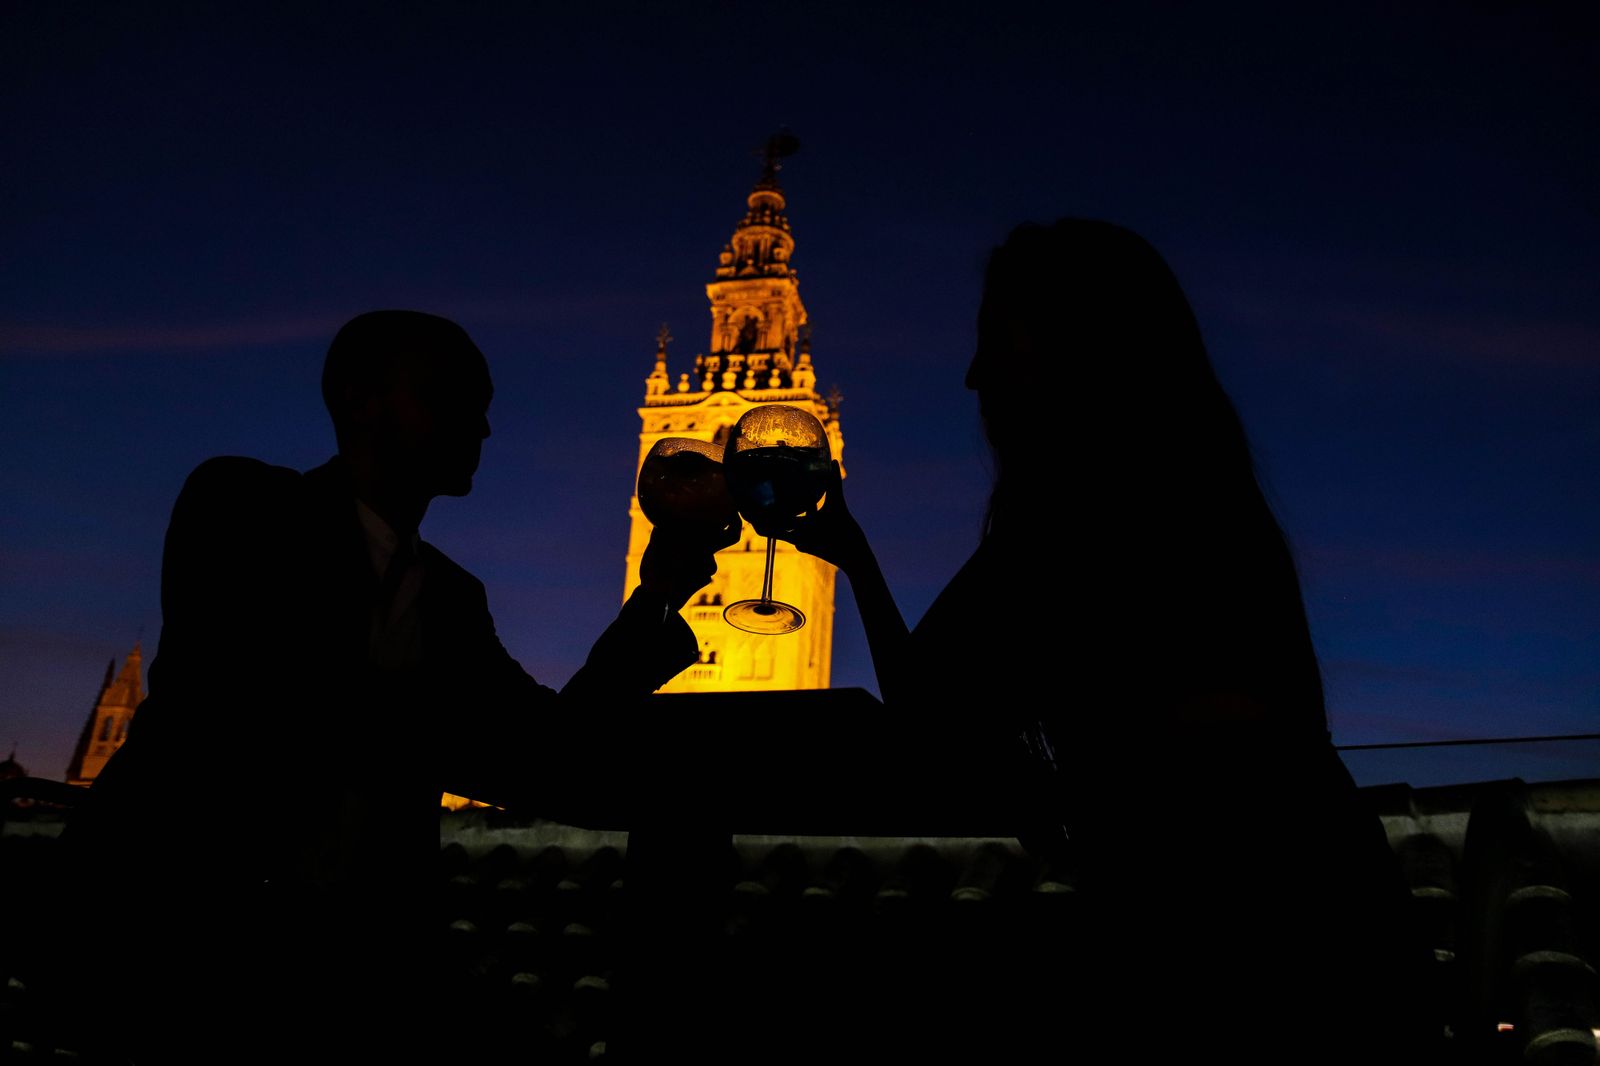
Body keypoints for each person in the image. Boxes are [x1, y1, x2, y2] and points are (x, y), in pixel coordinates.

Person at [785, 220, 1429, 1060]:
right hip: (1299, 931)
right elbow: (942, 712)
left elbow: (934, 725)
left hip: (1246, 950)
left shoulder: (1088, 512)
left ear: (1075, 345)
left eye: (994, 340)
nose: (974, 374)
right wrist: (856, 558)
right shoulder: (1161, 490)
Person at [52, 310, 732, 1062]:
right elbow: (262, 696)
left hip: (352, 964)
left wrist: (659, 596)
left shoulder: (452, 596)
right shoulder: (242, 503)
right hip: (172, 938)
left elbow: (539, 755)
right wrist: (452, 735)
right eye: (455, 397)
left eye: (484, 406)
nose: (483, 427)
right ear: (360, 400)